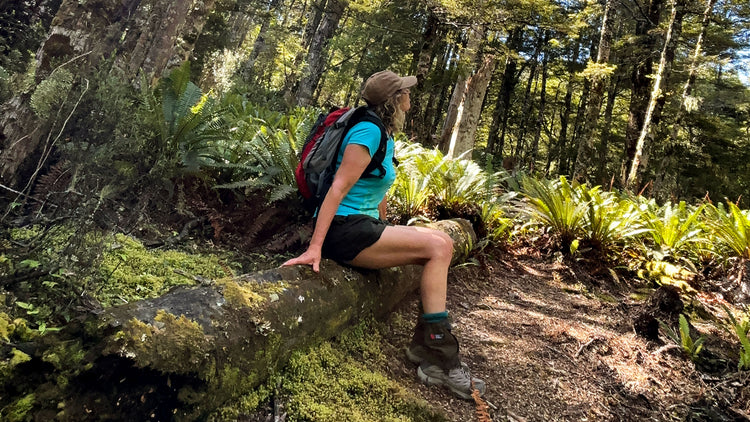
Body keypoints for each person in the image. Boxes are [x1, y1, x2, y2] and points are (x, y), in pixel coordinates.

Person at [282, 70, 486, 399]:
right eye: (405, 92)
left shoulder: (385, 134)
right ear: (394, 101)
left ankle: (425, 349)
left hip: (363, 226)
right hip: (343, 230)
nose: (410, 97)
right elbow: (337, 189)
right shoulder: (367, 132)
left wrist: (389, 227)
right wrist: (315, 247)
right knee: (440, 245)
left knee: (438, 244)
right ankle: (441, 359)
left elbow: (378, 189)